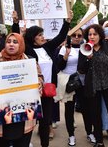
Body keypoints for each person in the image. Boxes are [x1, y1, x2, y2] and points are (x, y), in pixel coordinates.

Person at [20, 10, 73, 147]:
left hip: (47, 90)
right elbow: (18, 41)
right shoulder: (27, 50)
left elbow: (61, 36)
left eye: (43, 34)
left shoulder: (47, 47)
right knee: (29, 121)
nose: (43, 37)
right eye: (39, 35)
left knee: (45, 122)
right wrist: (17, 27)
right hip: (32, 91)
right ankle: (26, 143)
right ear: (32, 37)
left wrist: (67, 21)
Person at [0, 33, 42, 147]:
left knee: (23, 141)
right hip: (3, 112)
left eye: (15, 42)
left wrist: (38, 85)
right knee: (2, 142)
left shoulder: (29, 61)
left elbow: (39, 77)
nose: (11, 45)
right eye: (9, 42)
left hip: (25, 112)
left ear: (21, 44)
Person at [56, 29, 95, 146]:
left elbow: (88, 67)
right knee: (69, 110)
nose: (76, 37)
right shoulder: (64, 48)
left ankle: (89, 133)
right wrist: (66, 55)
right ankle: (71, 135)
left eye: (79, 35)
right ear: (70, 36)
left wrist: (90, 58)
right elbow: (60, 66)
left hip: (83, 83)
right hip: (70, 83)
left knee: (86, 109)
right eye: (74, 35)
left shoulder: (86, 47)